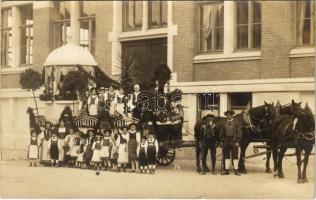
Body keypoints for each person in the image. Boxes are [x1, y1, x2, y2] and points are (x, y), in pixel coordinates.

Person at [220, 110, 242, 176]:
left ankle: (236, 170)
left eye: (230, 115)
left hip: (234, 141)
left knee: (235, 156)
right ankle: (226, 170)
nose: (228, 116)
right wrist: (222, 140)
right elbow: (222, 132)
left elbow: (239, 133)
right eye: (227, 115)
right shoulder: (224, 123)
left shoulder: (236, 123)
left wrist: (238, 141)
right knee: (226, 156)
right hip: (226, 141)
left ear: (232, 115)